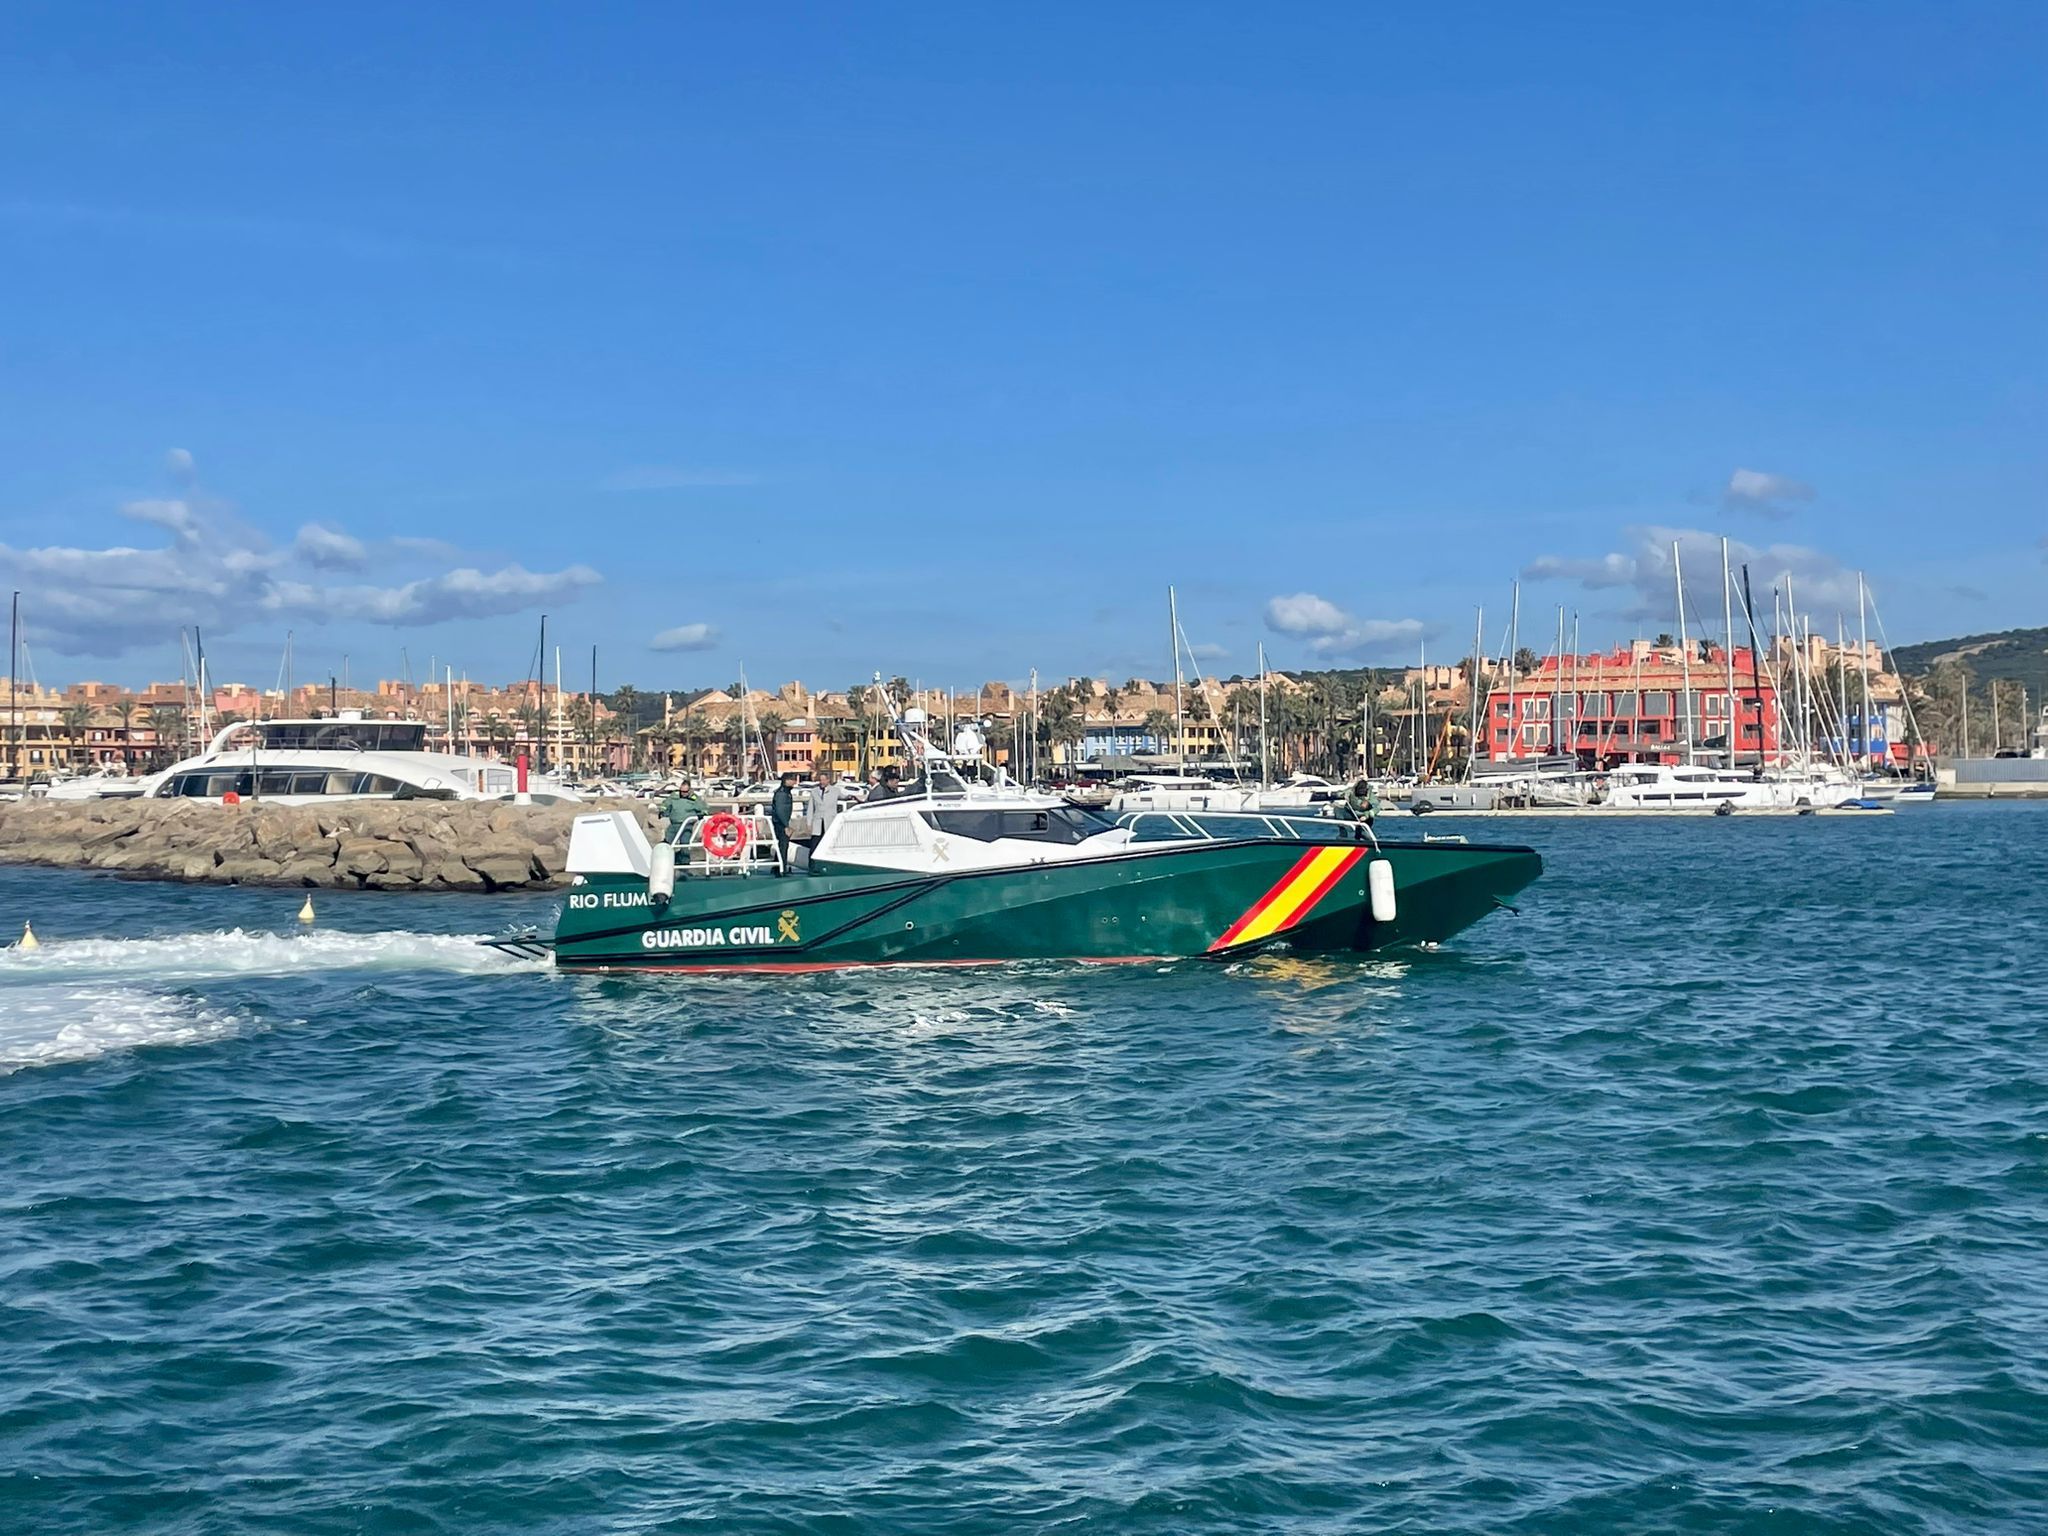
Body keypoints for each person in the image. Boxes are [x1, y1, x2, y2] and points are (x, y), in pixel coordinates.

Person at [769, 771, 799, 872]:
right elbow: (780, 810)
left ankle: (777, 866)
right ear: (787, 781)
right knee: (783, 845)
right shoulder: (782, 794)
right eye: (793, 780)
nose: (794, 782)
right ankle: (781, 868)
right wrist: (786, 825)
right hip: (780, 823)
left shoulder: (786, 792)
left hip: (782, 822)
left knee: (782, 845)